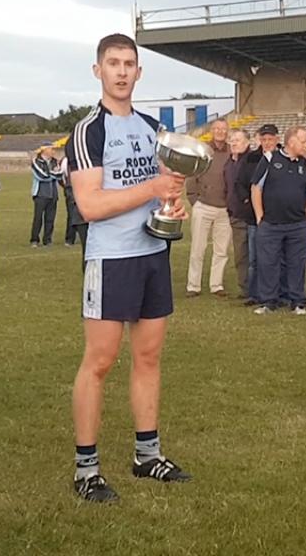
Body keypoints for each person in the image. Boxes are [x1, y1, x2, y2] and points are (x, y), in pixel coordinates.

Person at [66, 33, 191, 503]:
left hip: (152, 255)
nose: (121, 71)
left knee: (149, 357)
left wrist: (173, 206)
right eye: (113, 63)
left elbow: (170, 189)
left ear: (139, 72)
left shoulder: (153, 127)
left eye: (129, 63)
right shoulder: (88, 131)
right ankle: (86, 469)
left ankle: (147, 454)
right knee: (99, 362)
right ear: (98, 70)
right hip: (110, 259)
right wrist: (153, 189)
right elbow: (90, 204)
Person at [251, 125, 306, 315]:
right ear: (291, 141)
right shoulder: (270, 159)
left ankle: (297, 301)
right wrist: (259, 217)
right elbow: (256, 188)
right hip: (271, 225)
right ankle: (268, 301)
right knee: (268, 263)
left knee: (297, 264)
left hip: (298, 226)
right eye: (303, 141)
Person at [185, 118, 231, 298]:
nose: (220, 132)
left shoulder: (230, 152)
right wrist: (194, 200)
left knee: (221, 250)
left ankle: (216, 285)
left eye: (223, 129)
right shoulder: (203, 150)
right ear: (212, 130)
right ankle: (193, 286)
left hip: (224, 209)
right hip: (203, 206)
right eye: (217, 129)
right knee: (198, 248)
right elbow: (192, 174)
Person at [235, 124, 279, 306]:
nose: (267, 142)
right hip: (255, 217)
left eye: (270, 139)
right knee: (254, 258)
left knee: (277, 257)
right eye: (264, 139)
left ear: (277, 139)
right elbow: (240, 183)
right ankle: (254, 293)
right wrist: (247, 202)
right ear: (259, 140)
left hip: (278, 216)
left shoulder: (284, 157)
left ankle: (278, 292)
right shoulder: (251, 158)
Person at [224, 128, 251, 299]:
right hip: (235, 215)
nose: (234, 143)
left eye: (238, 140)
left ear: (247, 142)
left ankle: (259, 289)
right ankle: (245, 288)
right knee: (241, 255)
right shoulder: (228, 163)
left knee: (256, 255)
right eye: (232, 140)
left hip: (252, 215)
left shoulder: (253, 160)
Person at [30, 142, 62, 247]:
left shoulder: (55, 161)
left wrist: (51, 174)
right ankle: (34, 240)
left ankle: (47, 240)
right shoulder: (36, 161)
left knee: (50, 219)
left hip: (53, 194)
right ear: (45, 150)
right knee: (38, 218)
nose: (53, 151)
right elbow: (41, 175)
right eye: (51, 149)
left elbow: (60, 175)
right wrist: (52, 174)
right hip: (40, 194)